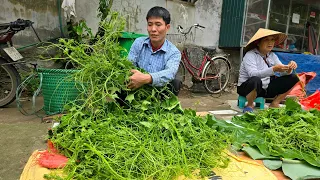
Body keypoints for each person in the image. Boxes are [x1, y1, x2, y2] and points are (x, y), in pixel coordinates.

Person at [237, 28, 300, 113]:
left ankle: (275, 103)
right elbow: (253, 74)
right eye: (266, 40)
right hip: (247, 87)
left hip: (265, 88)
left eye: (272, 40)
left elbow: (283, 73)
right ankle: (250, 104)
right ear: (258, 43)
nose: (270, 43)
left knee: (293, 78)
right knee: (255, 79)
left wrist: (289, 68)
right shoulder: (250, 55)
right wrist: (273, 69)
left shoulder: (272, 55)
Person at [127, 6, 182, 95]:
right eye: (150, 24)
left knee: (175, 83)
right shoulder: (138, 42)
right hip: (136, 89)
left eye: (158, 24)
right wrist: (135, 76)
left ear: (167, 27)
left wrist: (146, 78)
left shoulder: (174, 52)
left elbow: (170, 73)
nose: (153, 29)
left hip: (158, 92)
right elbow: (129, 64)